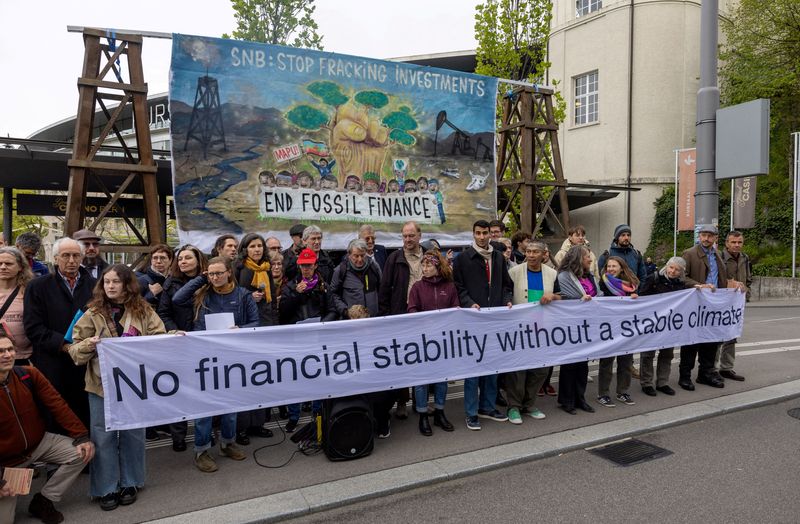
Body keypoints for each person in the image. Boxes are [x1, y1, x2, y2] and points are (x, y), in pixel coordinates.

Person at [69, 264, 168, 511]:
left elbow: (160, 337)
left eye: (115, 282)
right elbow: (73, 348)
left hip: (134, 385)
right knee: (103, 437)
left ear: (127, 284)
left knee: (134, 434)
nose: (110, 286)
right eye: (106, 282)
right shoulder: (91, 312)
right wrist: (89, 345)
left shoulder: (143, 310)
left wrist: (174, 336)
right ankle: (106, 488)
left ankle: (130, 482)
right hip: (100, 386)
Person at [172, 256, 258, 473]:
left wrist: (242, 330)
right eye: (211, 273)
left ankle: (228, 442)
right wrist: (201, 279)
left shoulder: (243, 295)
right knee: (204, 406)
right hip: (203, 357)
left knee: (230, 404)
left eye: (219, 273)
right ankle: (201, 450)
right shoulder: (202, 293)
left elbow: (256, 322)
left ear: (229, 272)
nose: (215, 277)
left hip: (231, 357)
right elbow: (176, 299)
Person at [0, 333, 95, 524]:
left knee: (82, 452)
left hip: (38, 444)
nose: (7, 355)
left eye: (10, 349)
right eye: (0, 351)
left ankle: (44, 501)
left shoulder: (28, 374)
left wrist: (81, 436)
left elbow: (57, 404)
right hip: (5, 462)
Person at [24, 238, 95, 427]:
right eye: (66, 255)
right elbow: (33, 326)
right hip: (52, 361)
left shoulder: (96, 286)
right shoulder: (38, 286)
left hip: (86, 361)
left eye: (75, 255)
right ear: (55, 259)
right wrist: (63, 345)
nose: (71, 260)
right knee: (54, 413)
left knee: (85, 414)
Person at [453, 220, 513, 430]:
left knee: (492, 366)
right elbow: (458, 287)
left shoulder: (497, 257)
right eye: (477, 233)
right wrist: (470, 303)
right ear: (473, 234)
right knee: (473, 369)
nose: (481, 236)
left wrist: (506, 299)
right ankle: (471, 412)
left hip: (494, 320)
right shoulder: (462, 259)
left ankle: (487, 406)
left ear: (490, 234)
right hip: (472, 320)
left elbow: (507, 284)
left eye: (485, 233)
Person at [157, 244, 208, 452]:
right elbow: (163, 313)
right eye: (180, 259)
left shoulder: (208, 281)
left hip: (203, 342)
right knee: (178, 391)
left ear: (198, 260)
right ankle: (178, 435)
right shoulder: (170, 284)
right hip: (179, 341)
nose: (183, 262)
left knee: (204, 388)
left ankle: (205, 433)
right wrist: (173, 331)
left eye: (188, 258)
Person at [505, 241, 560, 424]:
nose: (530, 255)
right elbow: (506, 292)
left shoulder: (552, 274)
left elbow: (561, 296)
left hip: (543, 330)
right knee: (518, 371)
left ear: (544, 254)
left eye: (535, 252)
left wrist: (552, 296)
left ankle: (529, 404)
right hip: (520, 330)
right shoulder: (514, 272)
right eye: (528, 251)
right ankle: (514, 406)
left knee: (540, 370)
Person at [279, 248, 333, 432]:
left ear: (315, 265)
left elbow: (331, 310)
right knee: (296, 378)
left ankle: (318, 412)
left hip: (317, 337)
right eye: (303, 266)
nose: (306, 269)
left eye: (309, 265)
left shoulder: (323, 285)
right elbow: (283, 312)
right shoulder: (290, 286)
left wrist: (322, 325)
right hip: (297, 339)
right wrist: (296, 293)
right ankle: (294, 415)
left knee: (318, 377)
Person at [407, 249, 459, 436]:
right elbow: (412, 310)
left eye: (429, 264)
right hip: (423, 340)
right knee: (422, 379)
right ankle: (422, 415)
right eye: (424, 264)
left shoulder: (450, 286)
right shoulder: (417, 288)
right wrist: (424, 321)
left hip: (443, 340)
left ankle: (439, 412)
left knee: (442, 378)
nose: (425, 267)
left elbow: (455, 309)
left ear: (438, 267)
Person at [232, 233, 277, 444]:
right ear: (245, 249)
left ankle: (259, 423)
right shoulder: (241, 269)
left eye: (260, 246)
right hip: (245, 328)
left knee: (263, 378)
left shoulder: (266, 269)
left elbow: (273, 301)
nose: (257, 249)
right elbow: (234, 297)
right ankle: (241, 427)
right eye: (252, 246)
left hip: (265, 326)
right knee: (244, 380)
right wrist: (249, 297)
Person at [378, 221, 424, 419]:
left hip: (425, 315)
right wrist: (387, 317)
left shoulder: (429, 256)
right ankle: (402, 401)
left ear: (419, 235)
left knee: (424, 359)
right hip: (401, 315)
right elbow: (385, 289)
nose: (407, 239)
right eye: (405, 236)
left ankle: (421, 402)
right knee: (403, 359)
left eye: (411, 235)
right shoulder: (394, 258)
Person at [679, 224, 729, 390]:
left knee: (711, 340)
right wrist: (698, 285)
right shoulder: (690, 253)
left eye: (710, 235)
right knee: (691, 341)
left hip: (714, 305)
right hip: (695, 304)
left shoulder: (718, 254)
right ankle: (685, 376)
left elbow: (722, 278)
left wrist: (733, 285)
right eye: (703, 235)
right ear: (699, 236)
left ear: (715, 238)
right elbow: (681, 277)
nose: (706, 238)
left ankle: (705, 373)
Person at [555, 244, 602, 415]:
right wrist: (581, 299)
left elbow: (599, 295)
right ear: (578, 258)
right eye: (587, 256)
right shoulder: (564, 277)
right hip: (571, 326)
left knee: (582, 364)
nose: (590, 259)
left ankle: (580, 398)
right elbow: (565, 297)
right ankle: (566, 400)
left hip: (588, 325)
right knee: (570, 364)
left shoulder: (590, 277)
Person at [638, 256, 695, 396]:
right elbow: (641, 297)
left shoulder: (681, 284)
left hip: (669, 325)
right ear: (667, 266)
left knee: (667, 354)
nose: (673, 271)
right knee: (648, 354)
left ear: (681, 272)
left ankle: (662, 382)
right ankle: (646, 383)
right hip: (652, 323)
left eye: (677, 269)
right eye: (671, 267)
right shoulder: (654, 278)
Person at [595, 256, 639, 408]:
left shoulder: (631, 285)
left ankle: (622, 391)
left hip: (627, 327)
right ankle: (603, 393)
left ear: (622, 267)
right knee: (607, 362)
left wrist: (634, 298)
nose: (611, 269)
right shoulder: (602, 283)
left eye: (614, 266)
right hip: (609, 327)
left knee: (625, 361)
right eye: (609, 266)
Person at [717, 230, 751, 381]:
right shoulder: (719, 257)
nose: (737, 245)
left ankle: (726, 368)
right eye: (733, 242)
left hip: (737, 304)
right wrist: (729, 284)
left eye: (739, 242)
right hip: (721, 303)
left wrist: (746, 291)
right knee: (717, 337)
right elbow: (714, 279)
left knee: (732, 336)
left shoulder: (745, 258)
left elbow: (748, 279)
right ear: (727, 243)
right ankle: (710, 369)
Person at [329, 239, 382, 319]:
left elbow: (382, 289)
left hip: (373, 319)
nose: (360, 259)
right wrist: (345, 311)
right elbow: (333, 294)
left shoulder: (374, 267)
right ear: (349, 255)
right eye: (356, 256)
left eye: (362, 255)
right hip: (351, 321)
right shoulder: (340, 270)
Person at [0, 247, 34, 365]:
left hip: (22, 357)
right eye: (0, 263)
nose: (3, 267)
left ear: (20, 267)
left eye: (8, 263)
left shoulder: (30, 291)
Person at [136, 244, 173, 308]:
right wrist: (151, 294)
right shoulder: (140, 281)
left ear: (170, 260)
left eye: (163, 258)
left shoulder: (175, 280)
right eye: (155, 258)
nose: (158, 261)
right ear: (151, 260)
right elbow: (134, 307)